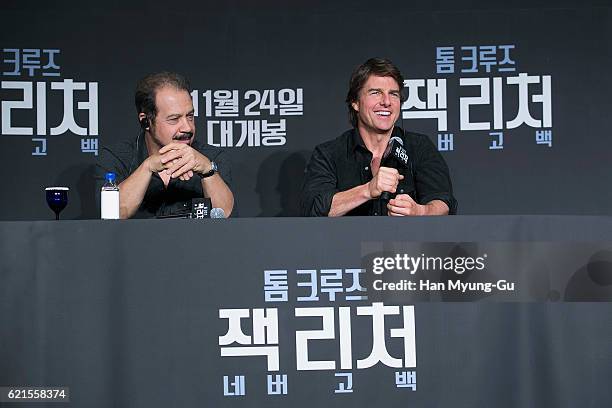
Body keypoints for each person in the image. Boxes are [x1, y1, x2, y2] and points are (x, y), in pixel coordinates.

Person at [300, 58, 456, 217]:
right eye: (376, 93)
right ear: (355, 102)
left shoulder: (419, 147)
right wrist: (367, 190)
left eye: (393, 94)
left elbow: (444, 203)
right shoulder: (329, 154)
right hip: (346, 242)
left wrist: (420, 211)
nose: (387, 102)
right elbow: (313, 209)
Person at [96, 72, 234, 219]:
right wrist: (148, 167)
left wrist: (208, 171)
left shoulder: (211, 157)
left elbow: (224, 216)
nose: (187, 127)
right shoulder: (117, 157)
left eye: (190, 116)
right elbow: (113, 214)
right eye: (174, 119)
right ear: (146, 121)